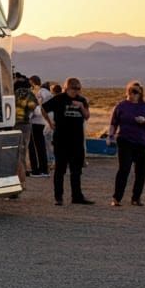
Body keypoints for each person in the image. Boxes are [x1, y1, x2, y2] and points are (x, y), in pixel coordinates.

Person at [40, 77, 92, 205]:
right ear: (67, 88)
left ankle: (77, 196)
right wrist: (50, 122)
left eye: (79, 88)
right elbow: (43, 108)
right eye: (74, 88)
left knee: (76, 170)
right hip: (62, 139)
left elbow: (87, 116)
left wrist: (81, 107)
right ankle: (59, 197)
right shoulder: (59, 99)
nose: (77, 91)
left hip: (77, 139)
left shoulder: (82, 100)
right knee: (60, 169)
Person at [108, 81, 145, 206]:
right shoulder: (121, 106)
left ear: (140, 93)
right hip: (125, 141)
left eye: (135, 91)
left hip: (142, 142)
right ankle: (116, 198)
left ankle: (136, 198)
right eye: (130, 91)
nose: (132, 94)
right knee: (124, 169)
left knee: (141, 172)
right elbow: (113, 123)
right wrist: (110, 136)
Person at [10, 72, 38, 194]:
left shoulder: (11, 93)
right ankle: (22, 182)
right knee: (22, 154)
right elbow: (35, 111)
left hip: (12, 125)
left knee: (12, 154)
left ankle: (14, 184)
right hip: (25, 126)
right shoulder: (30, 95)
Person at [28, 75, 50, 176]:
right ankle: (43, 168)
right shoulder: (46, 92)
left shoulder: (39, 93)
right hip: (42, 122)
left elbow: (38, 107)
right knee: (41, 146)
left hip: (36, 121)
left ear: (32, 82)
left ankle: (39, 169)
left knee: (37, 147)